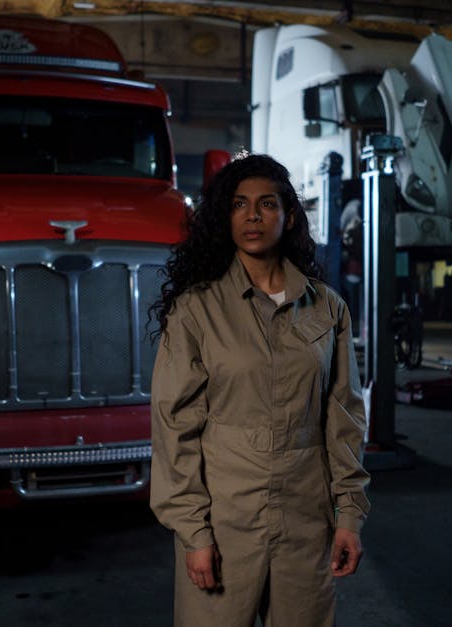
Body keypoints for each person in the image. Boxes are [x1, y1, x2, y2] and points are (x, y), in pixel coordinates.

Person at [149, 154, 370, 627]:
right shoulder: (196, 310)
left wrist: (348, 514)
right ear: (224, 219)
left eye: (267, 204)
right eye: (239, 205)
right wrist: (194, 533)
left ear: (288, 215)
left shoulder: (326, 309)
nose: (253, 216)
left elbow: (343, 419)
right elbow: (175, 428)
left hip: (305, 521)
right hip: (225, 522)